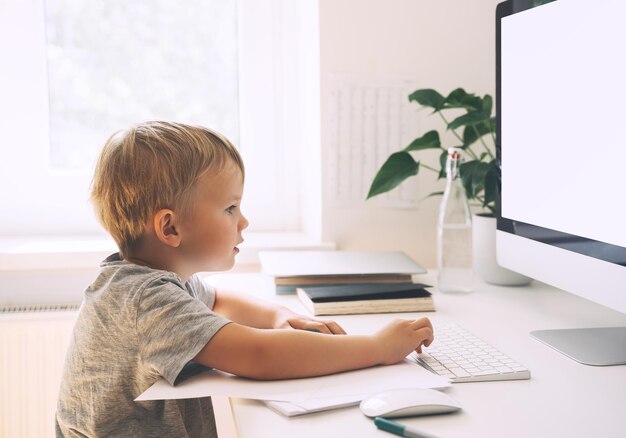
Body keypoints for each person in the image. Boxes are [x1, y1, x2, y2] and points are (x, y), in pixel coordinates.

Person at [55, 121, 434, 437]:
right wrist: (378, 348)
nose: (244, 220)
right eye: (230, 207)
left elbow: (217, 301)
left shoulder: (153, 280)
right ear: (170, 227)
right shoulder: (145, 300)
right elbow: (258, 355)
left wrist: (277, 317)